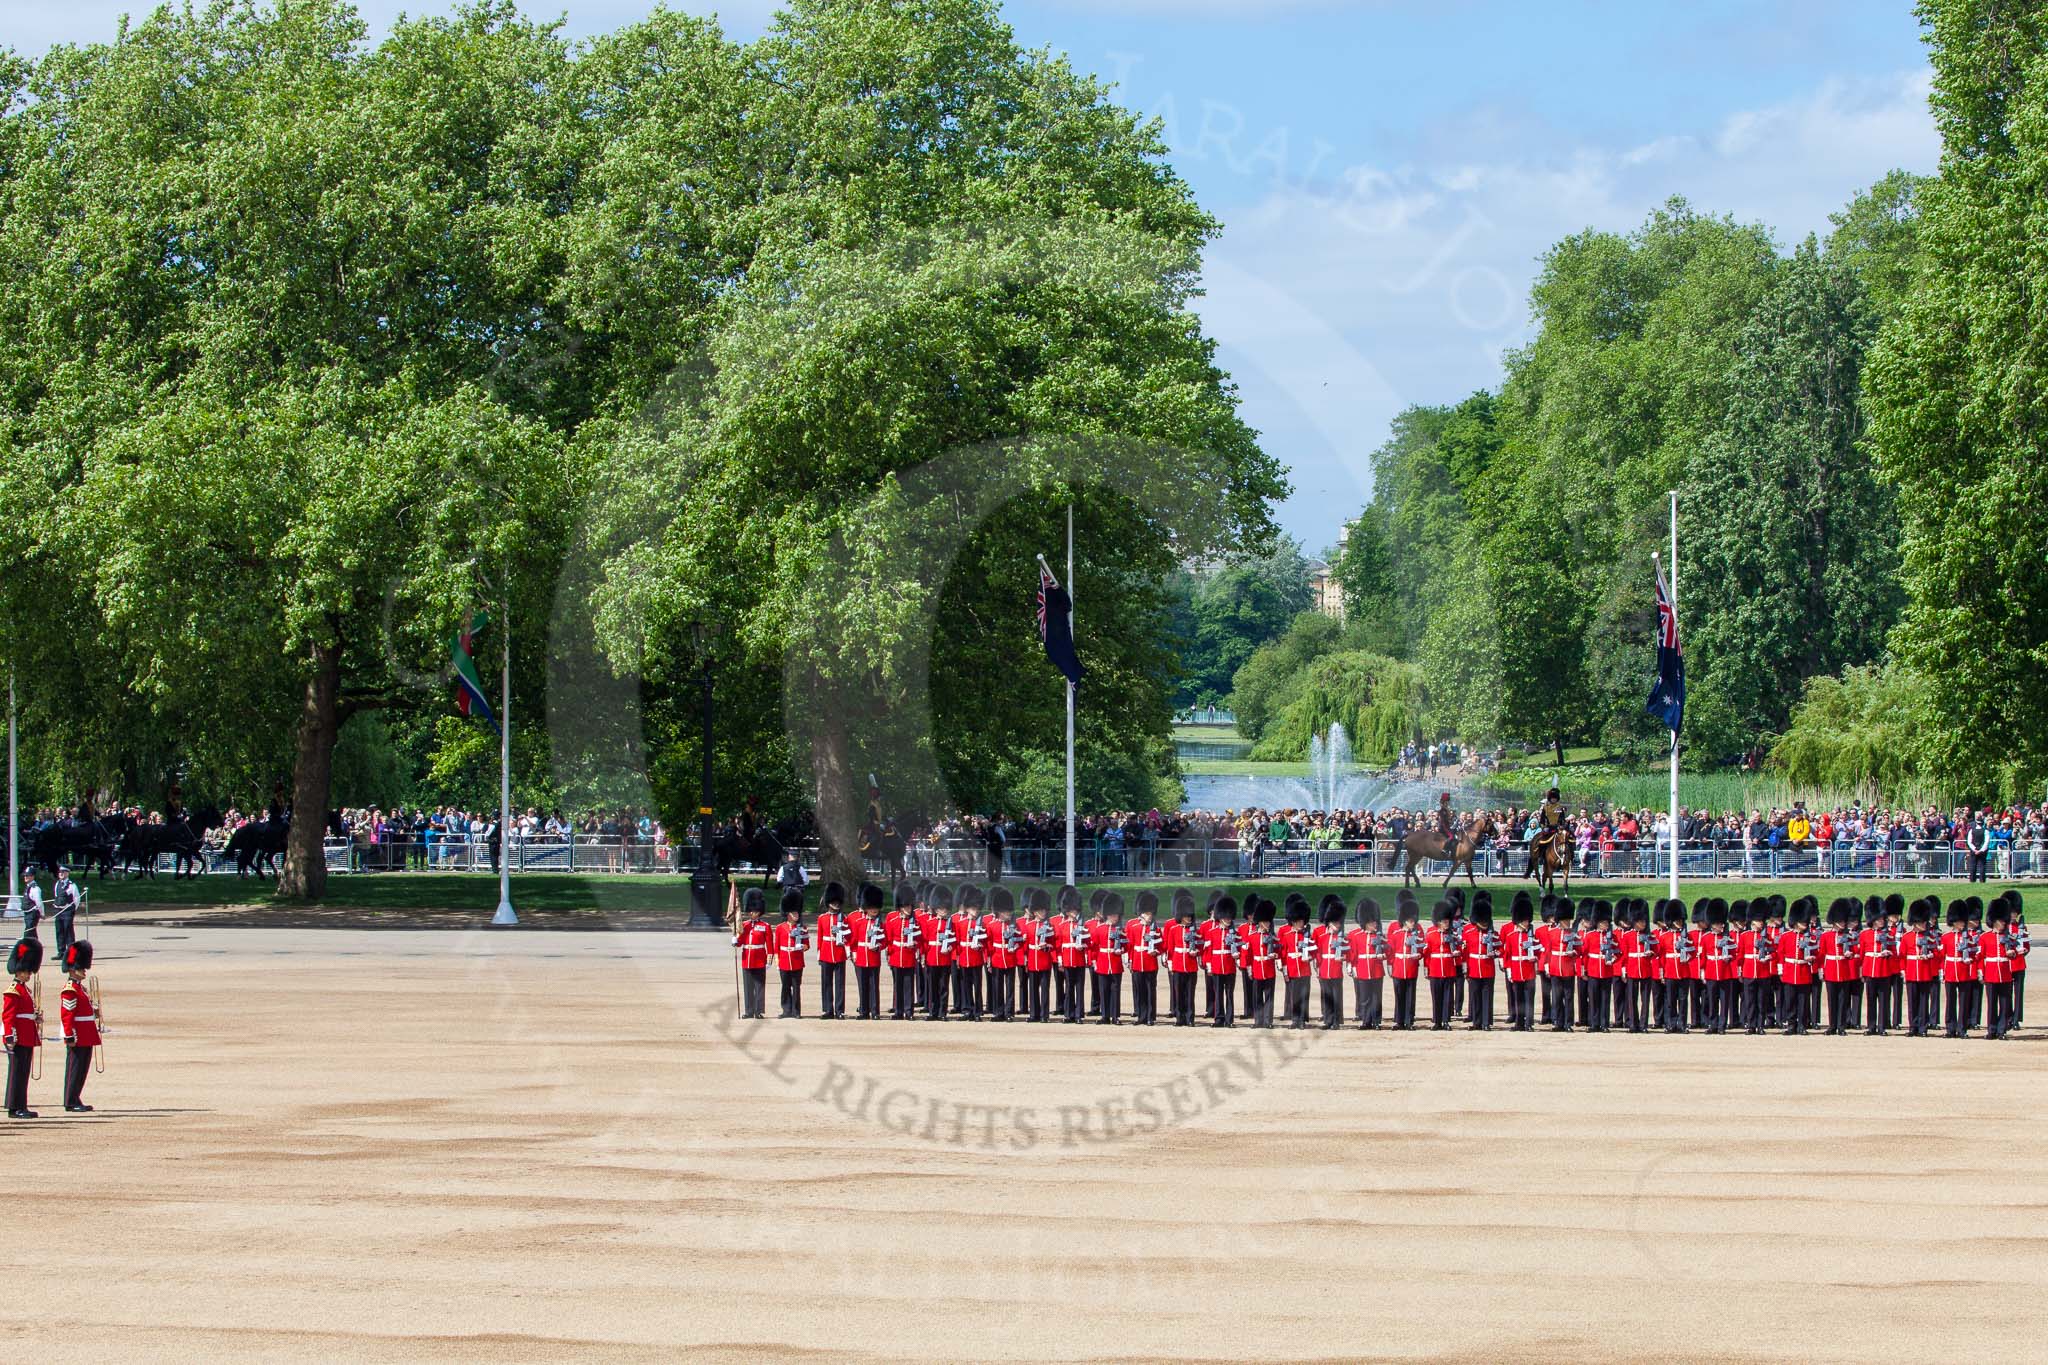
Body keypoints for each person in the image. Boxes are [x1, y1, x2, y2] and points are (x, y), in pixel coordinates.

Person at [57, 940, 100, 1112]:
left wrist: (93, 1013)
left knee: (82, 1068)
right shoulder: (70, 989)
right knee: (75, 1068)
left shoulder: (80, 988)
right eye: (81, 968)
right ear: (73, 969)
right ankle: (70, 1100)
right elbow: (67, 1015)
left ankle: (75, 1098)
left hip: (86, 1032)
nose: (84, 971)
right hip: (78, 1034)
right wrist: (69, 1035)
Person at [4, 937, 41, 1118]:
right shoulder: (13, 990)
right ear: (18, 972)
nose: (28, 975)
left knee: (23, 1073)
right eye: (26, 972)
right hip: (18, 1037)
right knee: (17, 1073)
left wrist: (35, 1017)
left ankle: (21, 1105)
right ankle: (14, 1107)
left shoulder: (24, 989)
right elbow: (8, 1016)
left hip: (27, 1035)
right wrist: (9, 1036)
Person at [1346, 896, 1387, 1029]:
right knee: (1364, 998)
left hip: (1376, 969)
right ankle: (1366, 1020)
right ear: (1365, 922)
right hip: (1362, 969)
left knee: (1376, 997)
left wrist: (1384, 952)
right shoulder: (1355, 935)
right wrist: (1351, 966)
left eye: (1375, 922)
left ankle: (1376, 1021)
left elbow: (1389, 950)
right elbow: (1352, 953)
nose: (1375, 925)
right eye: (1372, 923)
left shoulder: (1380, 936)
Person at [731, 889, 771, 1020]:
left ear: (759, 911)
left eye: (754, 911)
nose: (751, 913)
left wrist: (769, 960)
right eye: (750, 911)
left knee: (759, 987)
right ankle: (749, 1010)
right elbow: (741, 942)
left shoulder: (765, 926)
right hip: (747, 958)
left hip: (760, 958)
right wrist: (735, 941)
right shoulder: (744, 925)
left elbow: (769, 944)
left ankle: (758, 1011)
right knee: (748, 987)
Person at [848, 883, 885, 1020]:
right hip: (862, 956)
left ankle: (875, 1011)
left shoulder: (880, 924)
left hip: (874, 956)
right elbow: (854, 940)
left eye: (876, 907)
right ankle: (864, 1011)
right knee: (863, 985)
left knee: (874, 985)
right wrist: (854, 952)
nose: (874, 910)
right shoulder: (859, 922)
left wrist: (879, 946)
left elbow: (885, 940)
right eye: (871, 907)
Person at [1165, 891, 1201, 1027]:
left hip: (1191, 965)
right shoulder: (1174, 929)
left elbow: (1200, 946)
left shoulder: (1194, 931)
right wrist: (1170, 964)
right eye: (1187, 916)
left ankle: (1190, 1018)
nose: (1189, 918)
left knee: (1190, 994)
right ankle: (1180, 1018)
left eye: (1190, 916)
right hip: (1178, 965)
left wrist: (1196, 952)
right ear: (1181, 915)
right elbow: (1170, 948)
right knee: (1179, 993)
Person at [885, 883, 921, 1021]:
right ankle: (898, 1011)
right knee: (897, 985)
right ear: (900, 906)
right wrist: (889, 953)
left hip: (908, 956)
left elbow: (920, 938)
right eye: (906, 906)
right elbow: (888, 939)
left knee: (908, 985)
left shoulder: (915, 922)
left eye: (910, 906)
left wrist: (915, 945)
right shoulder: (893, 919)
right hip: (895, 956)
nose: (909, 908)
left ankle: (909, 1011)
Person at [1387, 894, 1423, 1030]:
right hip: (1398, 967)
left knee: (1410, 995)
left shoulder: (1418, 932)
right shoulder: (1397, 934)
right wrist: (1390, 964)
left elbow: (1422, 947)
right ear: (1404, 920)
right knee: (1399, 995)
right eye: (1410, 920)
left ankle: (1409, 1020)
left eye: (1413, 920)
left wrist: (1419, 955)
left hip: (1411, 967)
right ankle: (1399, 1020)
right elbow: (1390, 951)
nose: (1412, 922)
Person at [1202, 897, 1239, 1028]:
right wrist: (1209, 966)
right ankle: (1219, 1018)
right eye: (1226, 917)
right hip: (1217, 967)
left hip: (1229, 967)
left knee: (1229, 995)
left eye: (1230, 917)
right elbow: (1208, 951)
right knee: (1218, 994)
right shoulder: (1212, 932)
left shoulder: (1235, 933)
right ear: (1221, 916)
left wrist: (1238, 955)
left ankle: (1229, 1020)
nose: (1228, 919)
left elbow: (1240, 948)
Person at [1125, 891, 1162, 1027]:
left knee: (1150, 991)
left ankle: (1150, 1016)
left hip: (1150, 963)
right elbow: (1129, 945)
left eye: (1151, 914)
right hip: (1137, 962)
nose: (1150, 916)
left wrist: (1156, 952)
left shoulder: (1155, 928)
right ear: (1141, 914)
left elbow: (1161, 945)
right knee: (1140, 991)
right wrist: (1129, 960)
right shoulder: (1133, 926)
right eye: (1147, 914)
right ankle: (1141, 1015)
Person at [814, 882, 849, 1020]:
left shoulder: (844, 918)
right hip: (826, 952)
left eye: (837, 902)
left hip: (839, 952)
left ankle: (839, 1010)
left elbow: (849, 936)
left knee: (840, 983)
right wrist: (819, 953)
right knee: (826, 983)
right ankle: (828, 1009)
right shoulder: (822, 918)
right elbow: (820, 937)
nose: (835, 905)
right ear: (828, 902)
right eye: (833, 902)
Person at [772, 890, 809, 1019]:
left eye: (797, 912)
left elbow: (807, 945)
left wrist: (802, 947)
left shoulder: (802, 928)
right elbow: (776, 946)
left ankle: (796, 1011)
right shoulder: (780, 928)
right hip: (784, 960)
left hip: (797, 960)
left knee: (796, 987)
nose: (796, 915)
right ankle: (786, 1009)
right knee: (785, 987)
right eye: (794, 913)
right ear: (788, 914)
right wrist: (777, 961)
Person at [1463, 897, 1498, 1031]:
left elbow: (1500, 948)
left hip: (1487, 967)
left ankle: (1486, 1022)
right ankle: (1476, 1022)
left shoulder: (1493, 934)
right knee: (1475, 996)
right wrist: (1465, 968)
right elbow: (1464, 951)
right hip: (1473, 967)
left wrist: (1494, 953)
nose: (1484, 923)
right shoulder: (1469, 932)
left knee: (1487, 996)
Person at [951, 885, 985, 1022]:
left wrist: (981, 948)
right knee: (966, 986)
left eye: (977, 908)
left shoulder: (981, 924)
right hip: (964, 957)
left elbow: (985, 941)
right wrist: (958, 957)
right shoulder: (960, 923)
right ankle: (967, 1010)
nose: (975, 911)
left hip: (976, 957)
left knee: (977, 986)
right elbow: (957, 942)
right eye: (973, 908)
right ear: (967, 908)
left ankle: (977, 1011)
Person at [1424, 901, 1460, 1030]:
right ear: (1438, 922)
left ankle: (1445, 1021)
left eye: (1448, 921)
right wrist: (1426, 968)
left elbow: (1459, 948)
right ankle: (1437, 1021)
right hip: (1435, 970)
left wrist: (1457, 952)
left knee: (1447, 997)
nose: (1447, 924)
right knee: (1436, 997)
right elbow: (1427, 953)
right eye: (1445, 922)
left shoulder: (1452, 935)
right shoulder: (1430, 935)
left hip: (1449, 969)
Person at [1313, 895, 1347, 1030]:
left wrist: (1343, 958)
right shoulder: (1321, 935)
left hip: (1336, 969)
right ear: (1329, 922)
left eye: (1339, 923)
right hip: (1324, 969)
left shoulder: (1341, 937)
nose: (1338, 926)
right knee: (1326, 996)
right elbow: (1316, 952)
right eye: (1336, 923)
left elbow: (1348, 952)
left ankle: (1337, 1021)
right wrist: (1317, 967)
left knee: (1336, 996)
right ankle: (1328, 1020)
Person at [49, 868, 82, 958]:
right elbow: (57, 896)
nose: (61, 874)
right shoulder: (57, 884)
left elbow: (77, 899)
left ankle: (71, 953)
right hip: (58, 910)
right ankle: (61, 952)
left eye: (63, 872)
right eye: (59, 872)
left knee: (68, 931)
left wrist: (72, 909)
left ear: (67, 873)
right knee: (59, 931)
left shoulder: (72, 885)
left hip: (67, 911)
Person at [16, 872, 42, 940]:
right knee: (32, 933)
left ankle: (25, 948)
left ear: (32, 877)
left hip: (33, 913)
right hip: (28, 913)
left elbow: (39, 902)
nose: (25, 877)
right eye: (25, 876)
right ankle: (35, 947)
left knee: (28, 933)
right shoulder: (28, 887)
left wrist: (42, 913)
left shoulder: (35, 888)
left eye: (27, 876)